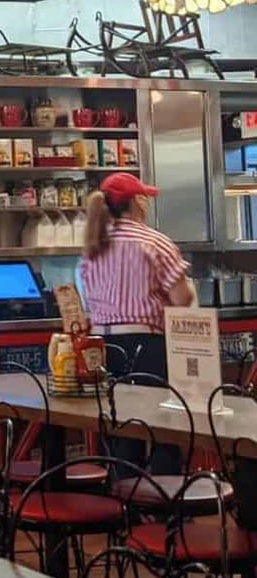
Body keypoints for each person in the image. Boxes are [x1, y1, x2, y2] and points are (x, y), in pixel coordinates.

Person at [79, 172, 195, 473]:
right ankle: (164, 494)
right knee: (163, 427)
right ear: (137, 202)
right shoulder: (154, 242)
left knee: (119, 428)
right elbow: (182, 298)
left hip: (101, 347)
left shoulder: (93, 246)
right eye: (145, 197)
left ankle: (122, 494)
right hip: (146, 346)